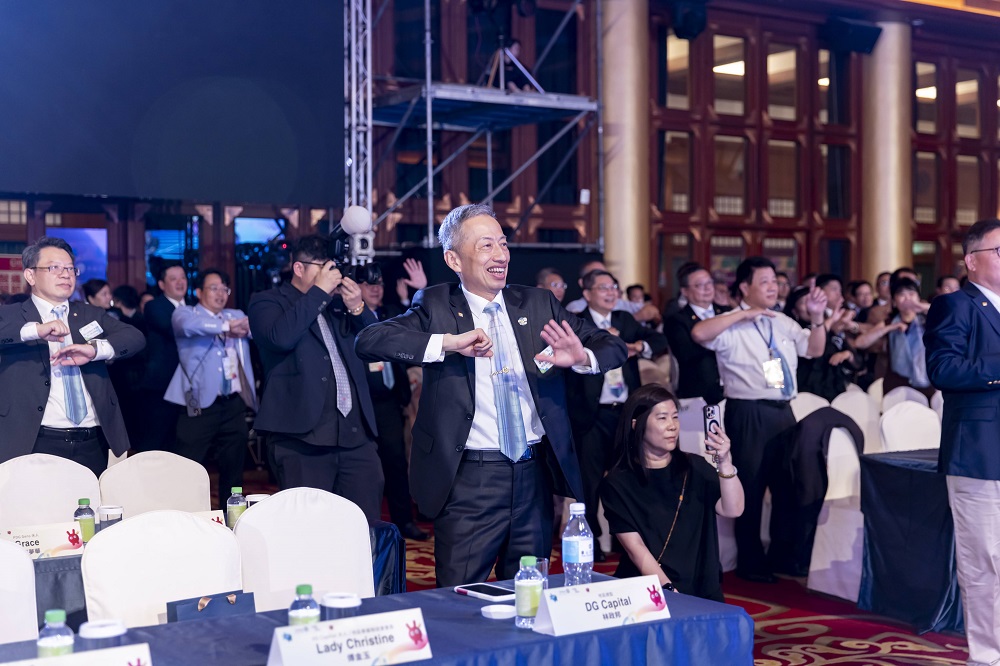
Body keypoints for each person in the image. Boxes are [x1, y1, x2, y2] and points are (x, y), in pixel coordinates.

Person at [356, 203, 627, 587]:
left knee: (529, 590)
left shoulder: (537, 304)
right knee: (460, 595)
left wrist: (581, 357)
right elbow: (370, 341)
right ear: (454, 259)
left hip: (534, 476)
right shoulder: (436, 305)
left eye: (503, 244)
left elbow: (611, 345)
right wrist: (449, 343)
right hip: (470, 480)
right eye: (486, 246)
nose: (501, 255)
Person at [691, 256, 828, 582]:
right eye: (764, 281)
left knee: (785, 486)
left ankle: (782, 555)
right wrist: (744, 314)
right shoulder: (730, 323)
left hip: (783, 411)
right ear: (744, 287)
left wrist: (818, 318)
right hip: (747, 412)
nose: (772, 287)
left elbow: (815, 350)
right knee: (750, 486)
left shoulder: (782, 321)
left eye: (775, 281)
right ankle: (751, 562)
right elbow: (698, 333)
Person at [248, 235, 384, 523]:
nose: (331, 275)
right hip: (301, 438)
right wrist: (319, 292)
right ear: (299, 268)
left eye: (332, 268)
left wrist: (358, 308)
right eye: (323, 268)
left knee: (365, 526)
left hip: (356, 436)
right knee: (309, 529)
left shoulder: (338, 304)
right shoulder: (268, 301)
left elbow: (378, 346)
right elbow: (280, 337)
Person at [0, 237, 145, 477]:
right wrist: (36, 330)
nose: (65, 274)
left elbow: (134, 337)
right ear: (30, 276)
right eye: (54, 267)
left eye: (70, 268)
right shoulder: (12, 314)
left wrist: (95, 350)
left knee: (89, 500)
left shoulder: (89, 314)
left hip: (93, 440)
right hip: (36, 439)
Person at [924, 218, 1000, 665]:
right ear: (972, 261)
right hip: (978, 453)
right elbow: (943, 369)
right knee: (984, 560)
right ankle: (987, 656)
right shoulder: (955, 305)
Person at [600, 384, 744, 601]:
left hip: (702, 586)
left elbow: (733, 509)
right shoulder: (618, 483)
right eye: (662, 418)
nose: (672, 426)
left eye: (675, 417)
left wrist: (725, 462)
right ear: (636, 424)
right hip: (649, 590)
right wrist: (667, 590)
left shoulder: (694, 466)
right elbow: (635, 549)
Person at [567, 269, 669, 562]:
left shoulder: (624, 320)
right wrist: (603, 343)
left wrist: (635, 346)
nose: (611, 293)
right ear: (587, 294)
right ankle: (591, 542)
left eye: (614, 287)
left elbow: (658, 340)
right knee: (589, 484)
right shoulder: (576, 321)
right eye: (603, 288)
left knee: (627, 478)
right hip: (592, 415)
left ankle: (625, 539)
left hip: (625, 413)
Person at [164, 269, 256, 510]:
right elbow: (189, 326)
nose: (220, 294)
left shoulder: (236, 315)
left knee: (234, 467)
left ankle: (231, 516)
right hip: (197, 401)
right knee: (188, 464)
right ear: (198, 292)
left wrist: (241, 326)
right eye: (214, 288)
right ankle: (182, 514)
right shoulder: (186, 313)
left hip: (233, 402)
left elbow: (256, 328)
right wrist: (225, 326)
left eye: (225, 289)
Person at [359, 273, 429, 541]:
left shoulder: (389, 314)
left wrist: (418, 291)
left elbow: (416, 325)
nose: (375, 289)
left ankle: (404, 522)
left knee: (396, 463)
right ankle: (363, 527)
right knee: (365, 468)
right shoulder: (348, 317)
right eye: (369, 284)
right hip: (361, 401)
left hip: (390, 400)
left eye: (379, 284)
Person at [134, 263, 188, 452]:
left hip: (188, 384)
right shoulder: (154, 306)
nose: (180, 282)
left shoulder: (193, 308)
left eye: (183, 277)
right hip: (162, 384)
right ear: (162, 284)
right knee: (156, 438)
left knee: (182, 439)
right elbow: (174, 330)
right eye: (173, 279)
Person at [855, 277, 935, 400]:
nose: (907, 298)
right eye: (901, 294)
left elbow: (951, 314)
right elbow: (860, 343)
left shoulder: (929, 319)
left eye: (911, 294)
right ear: (894, 301)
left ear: (918, 297)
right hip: (896, 386)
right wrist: (889, 328)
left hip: (926, 383)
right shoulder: (890, 322)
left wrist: (922, 307)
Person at [662, 263, 730, 405]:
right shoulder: (677, 320)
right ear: (685, 291)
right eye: (699, 285)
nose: (707, 288)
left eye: (709, 282)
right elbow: (686, 354)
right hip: (698, 393)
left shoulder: (727, 313)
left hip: (731, 389)